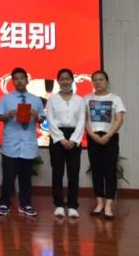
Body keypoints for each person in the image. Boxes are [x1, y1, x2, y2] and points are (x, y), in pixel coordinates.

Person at [0, 67, 45, 218]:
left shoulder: (36, 99)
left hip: (28, 143)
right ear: (12, 81)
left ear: (27, 80)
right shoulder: (6, 99)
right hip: (11, 143)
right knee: (8, 177)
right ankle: (4, 203)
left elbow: (42, 119)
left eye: (21, 78)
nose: (19, 81)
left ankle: (25, 204)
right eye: (16, 79)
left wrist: (37, 116)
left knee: (26, 177)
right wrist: (9, 115)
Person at [85, 70, 126, 220]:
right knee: (96, 171)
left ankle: (108, 205)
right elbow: (84, 119)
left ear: (106, 81)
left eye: (101, 79)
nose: (98, 82)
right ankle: (99, 204)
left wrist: (108, 135)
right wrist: (92, 135)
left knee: (110, 171)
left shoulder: (115, 98)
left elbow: (119, 119)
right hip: (93, 137)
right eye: (95, 80)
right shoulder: (86, 98)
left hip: (110, 138)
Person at [46, 68, 86, 218]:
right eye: (62, 79)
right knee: (57, 172)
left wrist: (74, 140)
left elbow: (82, 120)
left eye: (67, 78)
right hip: (57, 137)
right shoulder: (52, 99)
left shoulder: (80, 100)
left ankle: (73, 205)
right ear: (58, 81)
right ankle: (59, 205)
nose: (65, 81)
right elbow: (50, 120)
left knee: (73, 173)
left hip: (74, 136)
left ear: (72, 80)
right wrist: (61, 139)